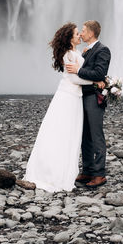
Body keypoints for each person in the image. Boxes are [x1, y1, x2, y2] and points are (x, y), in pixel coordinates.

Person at [22, 23, 93, 192]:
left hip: (73, 97)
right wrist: (96, 81)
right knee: (63, 133)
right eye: (76, 34)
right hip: (68, 97)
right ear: (69, 38)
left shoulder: (74, 53)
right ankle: (54, 173)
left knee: (68, 133)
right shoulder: (69, 54)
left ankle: (59, 169)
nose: (79, 36)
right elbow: (74, 79)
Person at [65, 19, 109, 188]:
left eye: (83, 31)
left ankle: (99, 174)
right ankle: (88, 170)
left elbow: (99, 72)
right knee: (85, 135)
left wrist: (78, 70)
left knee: (96, 135)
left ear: (91, 33)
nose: (81, 34)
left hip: (93, 98)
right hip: (82, 96)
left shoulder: (103, 50)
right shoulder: (86, 51)